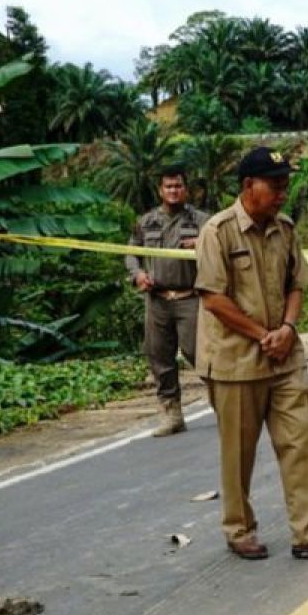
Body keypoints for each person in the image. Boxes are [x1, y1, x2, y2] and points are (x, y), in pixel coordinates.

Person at [193, 146, 308, 561]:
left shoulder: (285, 228)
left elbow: (296, 283)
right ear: (249, 186)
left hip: (285, 356)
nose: (283, 193)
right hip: (235, 362)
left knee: (302, 440)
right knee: (238, 453)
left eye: (285, 185)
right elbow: (213, 298)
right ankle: (239, 529)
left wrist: (288, 328)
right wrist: (263, 334)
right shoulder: (218, 231)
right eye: (275, 185)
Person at [127, 166, 210, 437]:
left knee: (198, 353)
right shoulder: (146, 221)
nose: (173, 191)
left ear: (186, 189)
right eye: (168, 187)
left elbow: (223, 248)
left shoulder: (202, 222)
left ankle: (224, 402)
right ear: (160, 190)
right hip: (158, 300)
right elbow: (131, 253)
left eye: (178, 186)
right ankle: (171, 413)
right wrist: (137, 274)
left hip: (191, 298)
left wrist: (202, 244)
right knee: (159, 357)